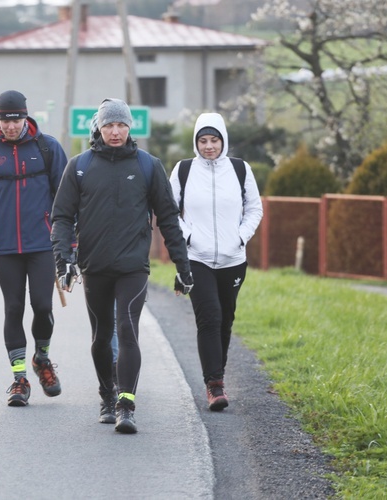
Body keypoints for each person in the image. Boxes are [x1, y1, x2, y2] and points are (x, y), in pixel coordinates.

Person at [50, 98, 193, 434]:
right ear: (98, 127)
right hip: (95, 266)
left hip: (132, 267)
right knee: (102, 337)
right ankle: (106, 394)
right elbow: (61, 217)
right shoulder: (80, 166)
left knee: (128, 331)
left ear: (130, 128)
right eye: (109, 125)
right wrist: (64, 260)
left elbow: (169, 218)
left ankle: (126, 404)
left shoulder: (147, 165)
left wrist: (183, 265)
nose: (115, 132)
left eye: (121, 125)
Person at [0, 90, 68, 407]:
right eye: (5, 119)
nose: (11, 126)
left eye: (16, 119)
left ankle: (42, 358)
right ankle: (19, 379)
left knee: (42, 306)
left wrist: (69, 243)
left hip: (42, 245)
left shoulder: (48, 148)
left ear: (26, 117)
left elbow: (66, 201)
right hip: (6, 247)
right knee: (13, 309)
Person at [169, 112, 263, 411]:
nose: (209, 146)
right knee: (209, 317)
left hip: (233, 259)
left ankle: (215, 375)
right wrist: (190, 238)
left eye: (214, 140)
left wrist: (240, 237)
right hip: (197, 258)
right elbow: (170, 211)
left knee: (225, 320)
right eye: (203, 140)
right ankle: (215, 385)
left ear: (223, 140)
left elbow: (254, 209)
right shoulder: (184, 170)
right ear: (196, 142)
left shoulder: (239, 169)